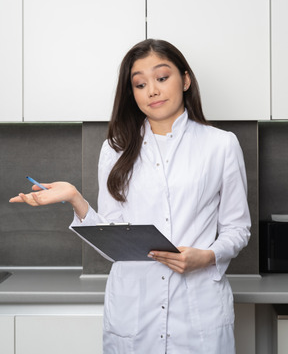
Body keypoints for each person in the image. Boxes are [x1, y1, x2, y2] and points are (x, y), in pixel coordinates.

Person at [10, 39, 251, 354]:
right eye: (139, 84)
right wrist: (75, 199)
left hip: (198, 310)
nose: (152, 90)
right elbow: (114, 242)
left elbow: (237, 228)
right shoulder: (115, 149)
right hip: (134, 308)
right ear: (132, 93)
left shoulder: (221, 145)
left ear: (186, 80)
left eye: (162, 78)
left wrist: (206, 256)